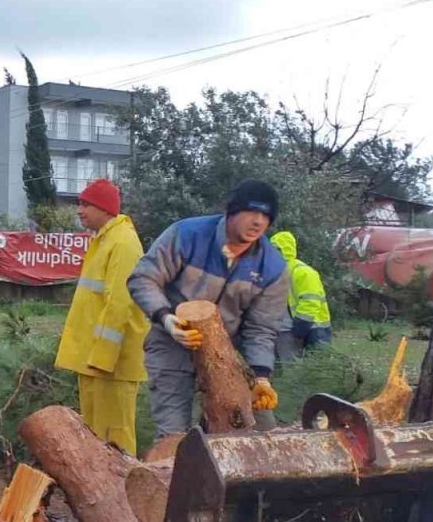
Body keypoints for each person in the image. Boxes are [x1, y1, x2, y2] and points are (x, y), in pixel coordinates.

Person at [128, 179, 289, 440]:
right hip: (172, 344)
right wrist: (166, 318)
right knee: (174, 436)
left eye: (265, 216)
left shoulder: (272, 267)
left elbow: (262, 329)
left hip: (229, 354)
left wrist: (260, 377)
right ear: (231, 211)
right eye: (251, 212)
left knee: (257, 432)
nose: (258, 221)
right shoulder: (187, 235)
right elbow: (143, 278)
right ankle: (169, 474)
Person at [54, 180, 148, 453]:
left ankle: (123, 492)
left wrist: (103, 358)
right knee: (96, 437)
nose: (79, 211)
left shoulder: (123, 242)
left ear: (105, 208)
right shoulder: (105, 240)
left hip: (111, 363)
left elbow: (119, 304)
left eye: (85, 204)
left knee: (115, 438)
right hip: (96, 361)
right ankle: (101, 491)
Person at [270, 231, 332, 357]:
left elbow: (311, 302)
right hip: (292, 328)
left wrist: (300, 326)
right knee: (297, 369)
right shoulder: (279, 272)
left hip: (315, 329)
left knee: (317, 368)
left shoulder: (302, 272)